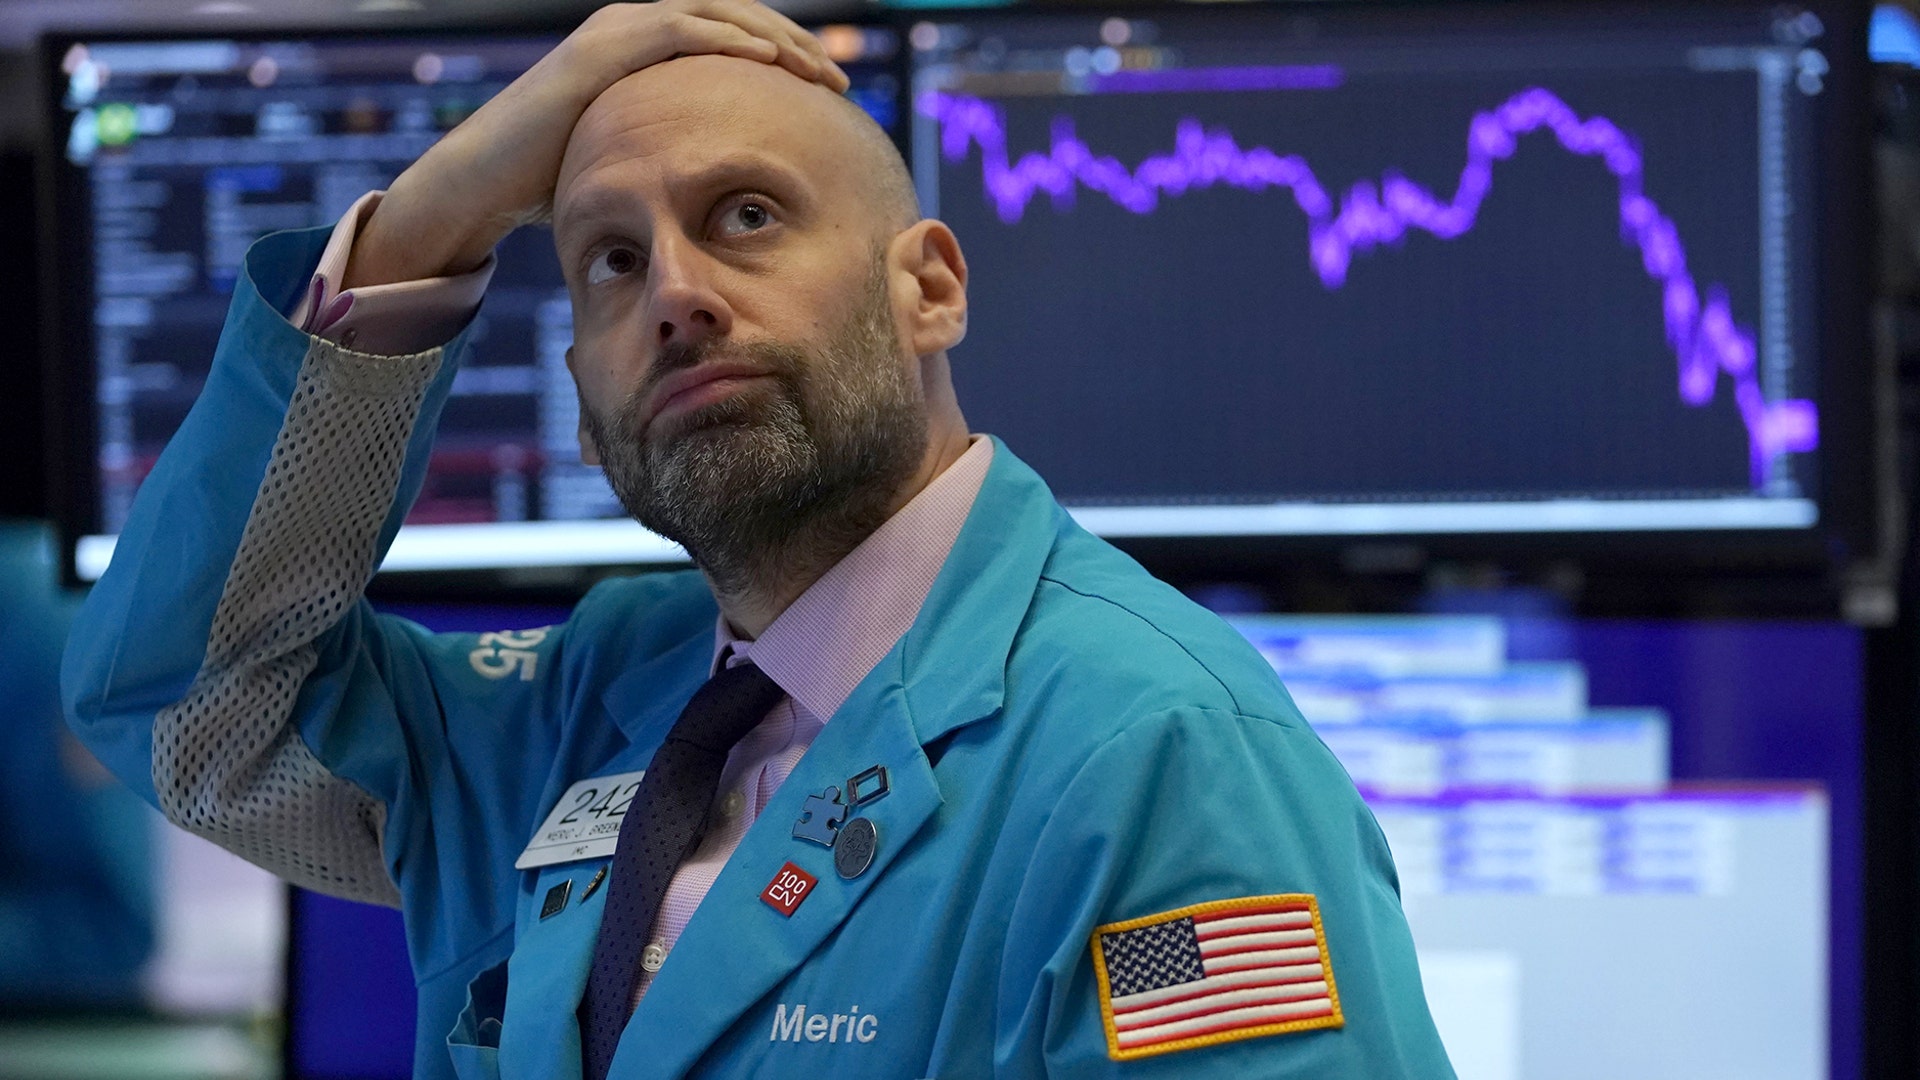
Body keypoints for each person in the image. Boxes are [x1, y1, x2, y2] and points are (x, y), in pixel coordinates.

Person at [64, 2, 1454, 1076]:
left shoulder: (1155, 755)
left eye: (746, 217)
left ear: (930, 290)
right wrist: (435, 218)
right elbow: (185, 705)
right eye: (610, 259)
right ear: (583, 398)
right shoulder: (580, 708)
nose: (675, 293)